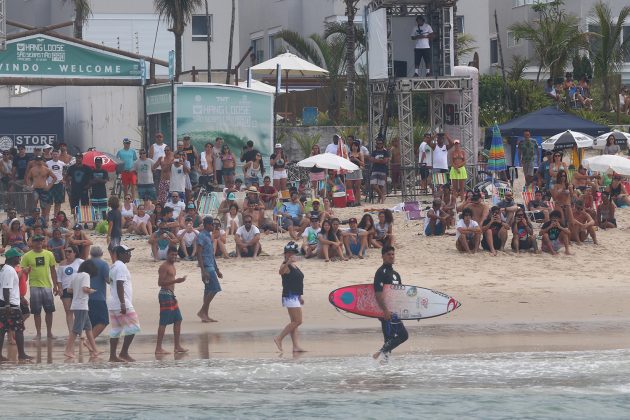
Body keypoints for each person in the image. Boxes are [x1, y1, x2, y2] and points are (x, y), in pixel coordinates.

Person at [372, 245, 408, 362]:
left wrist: (411, 313)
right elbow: (378, 294)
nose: (391, 256)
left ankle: (384, 366)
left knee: (390, 339)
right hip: (386, 312)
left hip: (394, 312)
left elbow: (399, 295)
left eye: (393, 254)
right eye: (389, 254)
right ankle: (381, 353)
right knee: (402, 336)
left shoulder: (396, 274)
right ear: (383, 256)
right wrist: (385, 311)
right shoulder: (380, 272)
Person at [21, 234, 58, 339]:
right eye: (36, 241)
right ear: (32, 243)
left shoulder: (49, 254)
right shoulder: (27, 256)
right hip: (34, 287)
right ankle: (38, 333)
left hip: (47, 286)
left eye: (40, 241)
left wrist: (55, 286)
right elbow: (23, 271)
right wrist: (26, 270)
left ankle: (49, 333)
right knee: (36, 312)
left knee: (49, 311)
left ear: (43, 242)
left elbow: (53, 270)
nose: (38, 243)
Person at [108, 245, 140, 362]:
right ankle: (123, 353)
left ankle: (112, 356)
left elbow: (110, 282)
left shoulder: (113, 266)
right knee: (134, 327)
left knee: (116, 330)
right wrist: (122, 303)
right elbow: (119, 284)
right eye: (127, 253)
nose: (129, 255)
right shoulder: (121, 267)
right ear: (120, 254)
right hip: (122, 302)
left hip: (113, 302)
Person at [0, 248, 32, 362]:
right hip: (10, 304)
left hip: (5, 303)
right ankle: (22, 354)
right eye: (18, 256)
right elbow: (6, 289)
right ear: (11, 258)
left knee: (2, 330)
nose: (19, 258)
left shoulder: (4, 269)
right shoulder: (9, 270)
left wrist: (21, 298)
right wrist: (8, 305)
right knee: (18, 329)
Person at [155, 247, 188, 356]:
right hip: (165, 295)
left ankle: (177, 346)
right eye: (172, 255)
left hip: (171, 295)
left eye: (175, 255)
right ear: (167, 254)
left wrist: (176, 281)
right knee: (163, 322)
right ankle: (158, 348)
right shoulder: (164, 266)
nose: (174, 257)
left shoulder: (172, 266)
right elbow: (160, 283)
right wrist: (176, 281)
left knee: (178, 319)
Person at [273, 241, 305, 353]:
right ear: (285, 254)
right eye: (289, 253)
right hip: (289, 296)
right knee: (298, 321)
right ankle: (279, 338)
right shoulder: (285, 265)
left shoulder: (294, 265)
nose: (291, 255)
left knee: (294, 323)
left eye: (293, 253)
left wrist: (300, 296)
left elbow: (296, 282)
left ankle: (295, 346)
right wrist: (287, 262)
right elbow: (280, 272)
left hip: (294, 296)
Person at [64, 260, 99, 359]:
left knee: (88, 328)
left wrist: (78, 289)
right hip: (81, 305)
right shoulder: (86, 275)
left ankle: (95, 350)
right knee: (76, 330)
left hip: (76, 304)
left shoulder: (75, 275)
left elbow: (69, 290)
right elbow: (85, 289)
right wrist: (92, 291)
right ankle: (68, 350)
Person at [196, 217, 224, 323]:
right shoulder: (201, 236)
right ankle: (202, 311)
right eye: (212, 224)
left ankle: (205, 315)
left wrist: (217, 270)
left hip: (211, 265)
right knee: (215, 288)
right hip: (206, 267)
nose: (214, 226)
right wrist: (203, 271)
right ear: (207, 225)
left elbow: (211, 255)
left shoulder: (209, 236)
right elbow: (199, 253)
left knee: (207, 290)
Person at [56, 245, 84, 334]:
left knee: (78, 311)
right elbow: (59, 278)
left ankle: (79, 331)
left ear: (75, 253)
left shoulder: (80, 262)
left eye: (69, 251)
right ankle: (71, 332)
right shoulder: (61, 264)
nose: (67, 253)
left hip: (77, 289)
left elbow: (86, 273)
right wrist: (59, 288)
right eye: (66, 251)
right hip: (65, 289)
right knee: (68, 311)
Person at [88, 246, 110, 338]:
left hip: (86, 297)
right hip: (98, 297)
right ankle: (89, 340)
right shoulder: (103, 264)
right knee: (103, 321)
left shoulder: (85, 263)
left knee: (91, 323)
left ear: (90, 253)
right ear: (101, 254)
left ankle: (91, 347)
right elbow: (108, 280)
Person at [26, 157, 56, 221]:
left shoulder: (46, 169)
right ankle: (34, 219)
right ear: (35, 161)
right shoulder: (32, 169)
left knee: (44, 206)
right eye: (37, 160)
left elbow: (54, 178)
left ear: (42, 161)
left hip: (43, 189)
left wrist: (49, 186)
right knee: (34, 205)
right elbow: (28, 178)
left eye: (40, 160)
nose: (39, 162)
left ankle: (43, 219)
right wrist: (29, 186)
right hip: (35, 189)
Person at [369, 137, 389, 204]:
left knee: (381, 185)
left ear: (382, 144)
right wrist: (380, 160)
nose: (379, 144)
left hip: (382, 170)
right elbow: (371, 159)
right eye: (378, 143)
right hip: (375, 169)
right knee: (373, 184)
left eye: (380, 143)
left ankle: (380, 199)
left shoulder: (385, 152)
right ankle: (382, 196)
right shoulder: (374, 152)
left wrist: (376, 160)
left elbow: (385, 161)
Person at [46, 149, 66, 216]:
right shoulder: (47, 163)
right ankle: (47, 217)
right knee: (48, 202)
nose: (55, 155)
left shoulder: (62, 163)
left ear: (58, 155)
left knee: (58, 202)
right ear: (51, 155)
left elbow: (65, 172)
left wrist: (63, 179)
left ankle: (56, 217)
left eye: (56, 154)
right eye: (54, 154)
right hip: (50, 184)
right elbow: (45, 173)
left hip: (59, 184)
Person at [346, 140, 364, 206]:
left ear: (358, 147)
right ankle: (351, 200)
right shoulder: (348, 154)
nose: (354, 147)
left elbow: (363, 164)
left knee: (357, 187)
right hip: (350, 171)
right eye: (353, 145)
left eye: (355, 146)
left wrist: (356, 159)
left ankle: (357, 201)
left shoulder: (360, 154)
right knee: (349, 187)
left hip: (357, 171)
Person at [107, 196, 123, 261]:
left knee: (114, 250)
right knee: (110, 248)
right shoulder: (119, 212)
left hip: (114, 233)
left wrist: (108, 235)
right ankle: (114, 262)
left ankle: (115, 262)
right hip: (118, 232)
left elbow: (111, 224)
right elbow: (121, 222)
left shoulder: (110, 213)